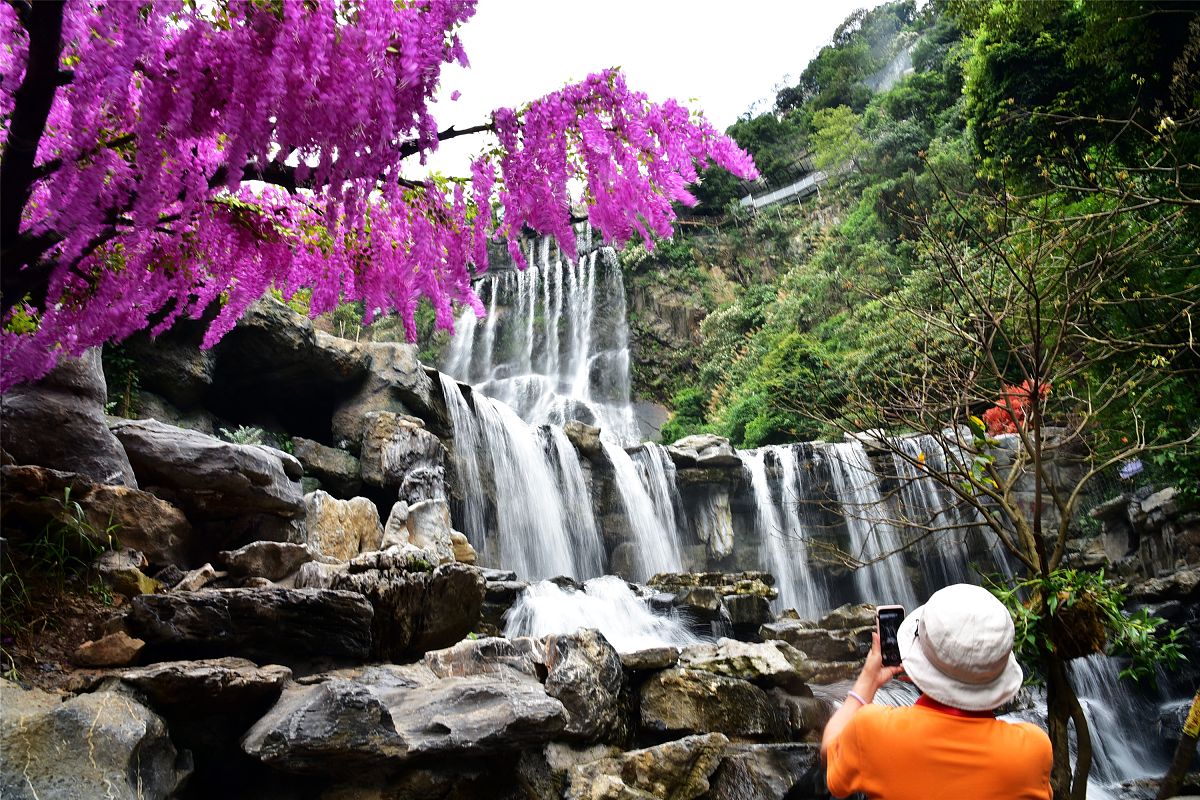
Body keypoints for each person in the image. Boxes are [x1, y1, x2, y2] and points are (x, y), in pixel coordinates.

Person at [822, 583, 1053, 800]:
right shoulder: (1033, 751)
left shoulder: (872, 730)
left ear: (919, 659)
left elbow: (829, 751)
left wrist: (867, 681)